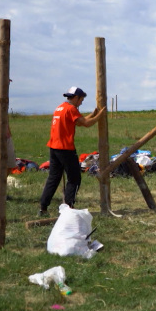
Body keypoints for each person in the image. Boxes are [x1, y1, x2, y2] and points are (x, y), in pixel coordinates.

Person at [38, 87, 106, 216]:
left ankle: (43, 207)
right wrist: (99, 116)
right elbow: (86, 124)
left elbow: (78, 122)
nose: (81, 102)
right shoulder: (71, 109)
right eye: (81, 100)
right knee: (74, 178)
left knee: (54, 177)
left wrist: (92, 114)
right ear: (76, 97)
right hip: (65, 149)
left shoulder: (61, 108)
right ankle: (69, 207)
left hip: (54, 147)